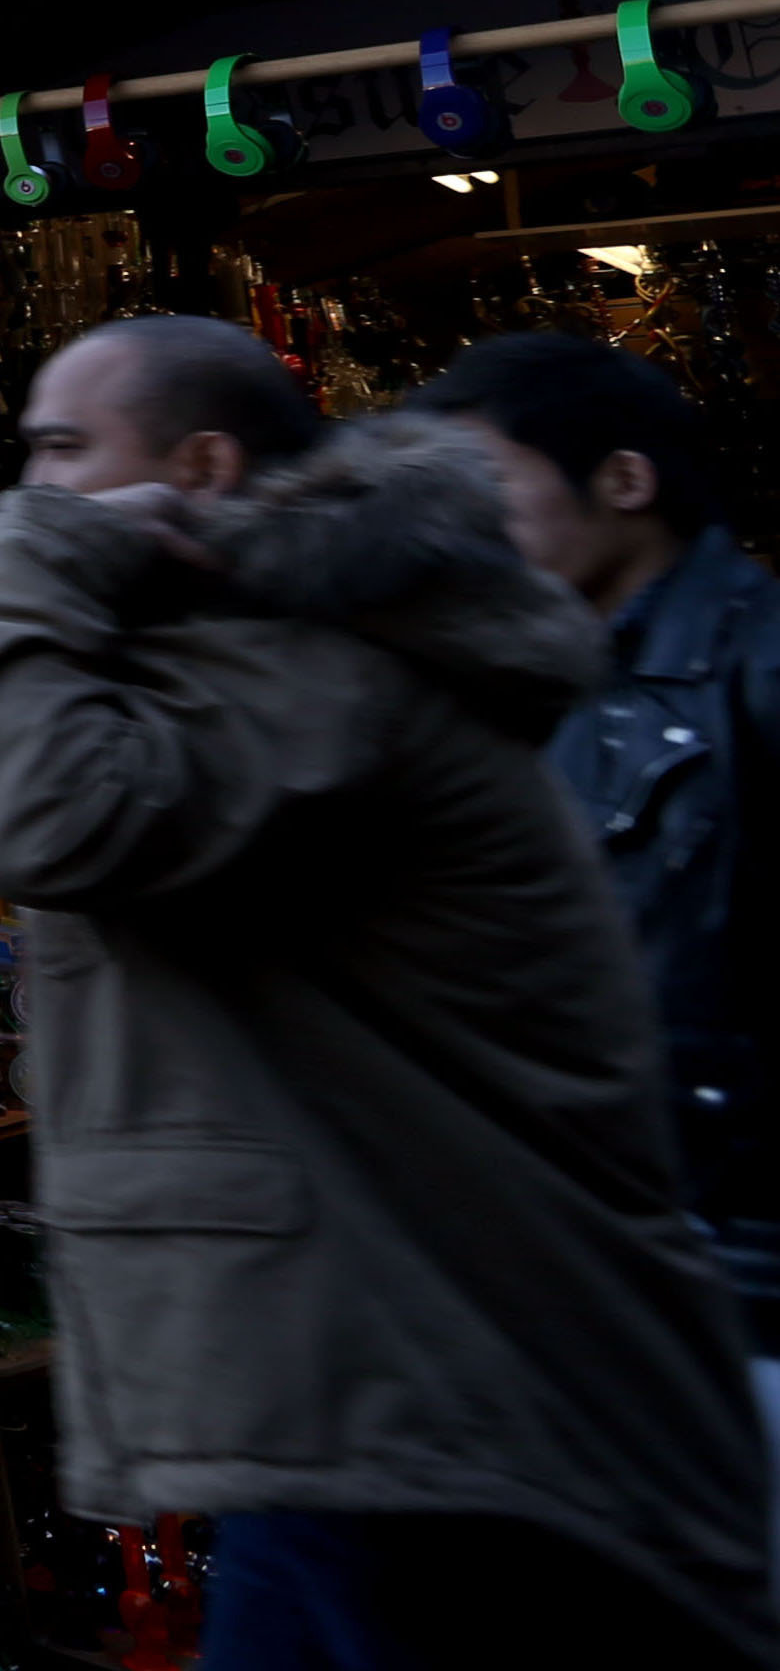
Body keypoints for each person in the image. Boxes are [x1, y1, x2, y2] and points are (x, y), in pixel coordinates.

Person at [0, 313, 776, 1664]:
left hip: (423, 1387)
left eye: (63, 451)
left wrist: (34, 561)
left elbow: (42, 816)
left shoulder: (313, 663)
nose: (34, 489)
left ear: (198, 468)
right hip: (392, 1373)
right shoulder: (275, 653)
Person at [422, 331, 780, 1352]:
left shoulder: (755, 667)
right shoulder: (541, 685)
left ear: (623, 479)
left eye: (487, 483)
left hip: (736, 1282)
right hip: (597, 1269)